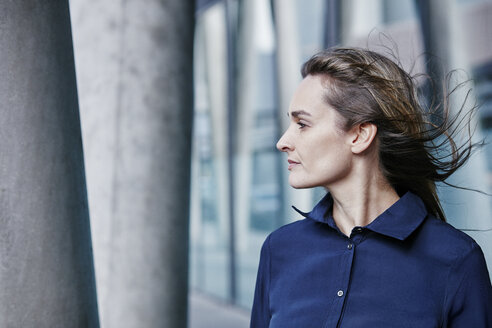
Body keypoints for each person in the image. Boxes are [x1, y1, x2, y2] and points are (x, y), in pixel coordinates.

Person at [250, 47, 492, 327]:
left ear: (360, 135)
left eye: (302, 124)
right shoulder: (279, 249)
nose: (282, 142)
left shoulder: (456, 259)